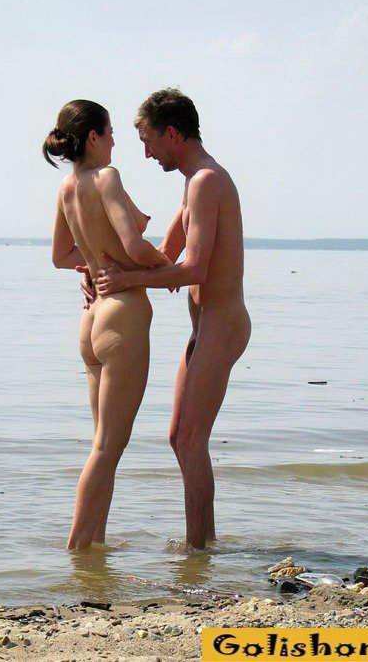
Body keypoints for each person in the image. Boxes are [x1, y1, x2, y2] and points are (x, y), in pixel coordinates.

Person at [82, 89, 251, 549]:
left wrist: (125, 280)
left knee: (190, 439)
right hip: (206, 325)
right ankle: (202, 546)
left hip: (223, 323)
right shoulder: (193, 182)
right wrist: (102, 273)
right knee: (179, 436)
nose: (146, 153)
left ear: (171, 134)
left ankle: (200, 549)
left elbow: (193, 270)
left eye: (148, 140)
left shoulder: (207, 181)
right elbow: (164, 256)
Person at [43, 99, 171, 550]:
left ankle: (94, 548)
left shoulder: (67, 186)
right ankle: (78, 549)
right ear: (93, 136)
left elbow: (61, 256)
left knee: (104, 444)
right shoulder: (106, 177)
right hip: (122, 315)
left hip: (92, 319)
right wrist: (169, 268)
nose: (116, 140)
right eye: (111, 132)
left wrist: (94, 264)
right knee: (107, 446)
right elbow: (135, 246)